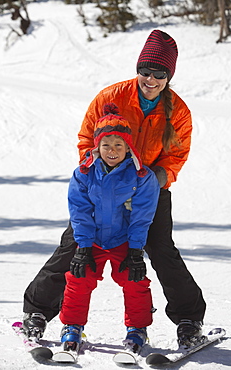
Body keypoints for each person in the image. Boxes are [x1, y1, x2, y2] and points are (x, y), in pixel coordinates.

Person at [23, 29, 206, 347]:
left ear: (169, 76)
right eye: (145, 71)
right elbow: (86, 139)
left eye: (159, 74)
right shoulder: (111, 98)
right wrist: (101, 175)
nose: (150, 79)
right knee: (75, 247)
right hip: (103, 187)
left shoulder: (178, 112)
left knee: (161, 250)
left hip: (148, 191)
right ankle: (37, 312)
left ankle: (189, 319)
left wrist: (148, 183)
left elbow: (175, 157)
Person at [57, 103, 160, 354]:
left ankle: (137, 329)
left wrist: (136, 251)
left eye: (118, 145)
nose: (112, 151)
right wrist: (83, 246)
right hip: (93, 240)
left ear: (128, 147)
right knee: (79, 277)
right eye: (106, 145)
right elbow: (79, 211)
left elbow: (142, 216)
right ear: (97, 146)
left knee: (134, 280)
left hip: (123, 240)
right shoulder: (84, 173)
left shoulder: (142, 177)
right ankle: (72, 326)